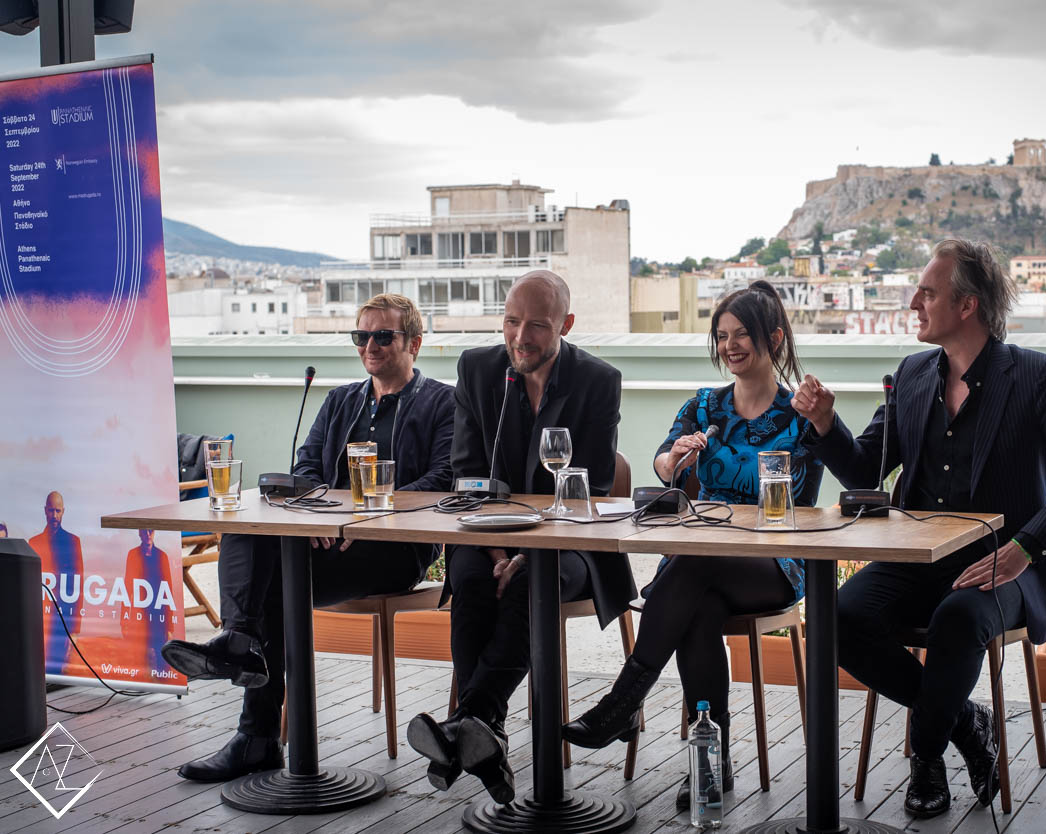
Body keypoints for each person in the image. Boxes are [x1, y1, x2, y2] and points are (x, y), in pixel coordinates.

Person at [793, 238, 1046, 818]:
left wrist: (1026, 549)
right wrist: (825, 423)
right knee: (835, 618)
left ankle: (925, 757)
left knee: (957, 617)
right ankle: (967, 725)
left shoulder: (1034, 377)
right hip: (915, 561)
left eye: (927, 291)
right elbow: (864, 470)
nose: (912, 302)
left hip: (1002, 567)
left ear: (967, 305)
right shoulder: (913, 374)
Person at [162, 293, 455, 782]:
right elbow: (306, 468)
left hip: (394, 551)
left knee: (273, 588)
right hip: (323, 542)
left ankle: (254, 730)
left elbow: (444, 479)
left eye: (383, 336)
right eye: (362, 336)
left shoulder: (444, 402)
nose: (370, 346)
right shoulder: (341, 398)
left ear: (414, 343)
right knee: (249, 527)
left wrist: (357, 520)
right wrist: (317, 515)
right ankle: (242, 646)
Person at [563, 280, 823, 810]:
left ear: (773, 338)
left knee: (694, 564)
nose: (729, 346)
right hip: (699, 564)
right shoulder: (703, 406)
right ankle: (711, 763)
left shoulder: (800, 416)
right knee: (698, 602)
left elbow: (810, 501)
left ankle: (623, 701)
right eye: (721, 335)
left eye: (741, 335)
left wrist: (821, 423)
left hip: (771, 563)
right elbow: (662, 462)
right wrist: (675, 458)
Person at [406, 270, 635, 804]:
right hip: (487, 536)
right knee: (469, 576)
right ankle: (482, 731)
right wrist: (498, 551)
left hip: (572, 545)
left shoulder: (598, 380)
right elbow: (466, 476)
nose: (520, 337)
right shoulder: (478, 369)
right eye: (511, 322)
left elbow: (591, 487)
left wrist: (526, 552)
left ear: (566, 325)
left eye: (536, 325)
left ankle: (471, 719)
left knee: (535, 575)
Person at [30, 491, 84, 673]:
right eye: (51, 510)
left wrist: (75, 629)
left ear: (63, 512)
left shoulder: (73, 542)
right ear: (45, 511)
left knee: (59, 670)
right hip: (39, 621)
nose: (54, 516)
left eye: (58, 511)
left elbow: (78, 584)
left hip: (63, 622)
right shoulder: (34, 542)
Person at [122, 529, 175, 673]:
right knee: (140, 662)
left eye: (150, 531)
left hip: (158, 616)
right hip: (139, 616)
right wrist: (124, 621)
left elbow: (167, 592)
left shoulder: (162, 556)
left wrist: (170, 627)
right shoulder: (132, 555)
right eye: (143, 531)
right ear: (139, 533)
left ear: (154, 532)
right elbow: (127, 589)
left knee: (162, 661)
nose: (147, 534)